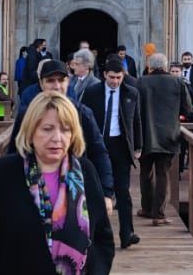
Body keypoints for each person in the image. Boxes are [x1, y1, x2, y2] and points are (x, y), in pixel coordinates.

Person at [0, 91, 114, 275]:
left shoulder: (86, 172)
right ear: (31, 131)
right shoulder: (4, 173)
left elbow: (103, 239)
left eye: (65, 129)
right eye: (47, 129)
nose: (57, 138)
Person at [12, 59, 116, 204]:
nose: (57, 86)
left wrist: (106, 193)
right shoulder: (28, 114)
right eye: (50, 81)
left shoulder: (82, 113)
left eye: (61, 80)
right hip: (31, 188)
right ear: (41, 83)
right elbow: (15, 150)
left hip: (77, 189)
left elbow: (98, 151)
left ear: (68, 82)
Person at [80, 55, 142, 248]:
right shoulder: (92, 92)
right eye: (112, 77)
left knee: (123, 191)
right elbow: (82, 119)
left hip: (120, 145)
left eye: (119, 78)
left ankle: (127, 233)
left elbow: (136, 120)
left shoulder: (131, 93)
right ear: (105, 75)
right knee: (95, 189)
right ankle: (94, 234)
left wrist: (138, 146)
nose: (115, 81)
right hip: (98, 144)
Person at [136, 53, 192, 226]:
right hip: (169, 135)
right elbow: (188, 109)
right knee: (162, 174)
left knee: (145, 173)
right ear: (166, 66)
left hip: (146, 135)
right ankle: (159, 214)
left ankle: (146, 208)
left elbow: (135, 108)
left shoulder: (141, 82)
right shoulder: (177, 82)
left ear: (150, 66)